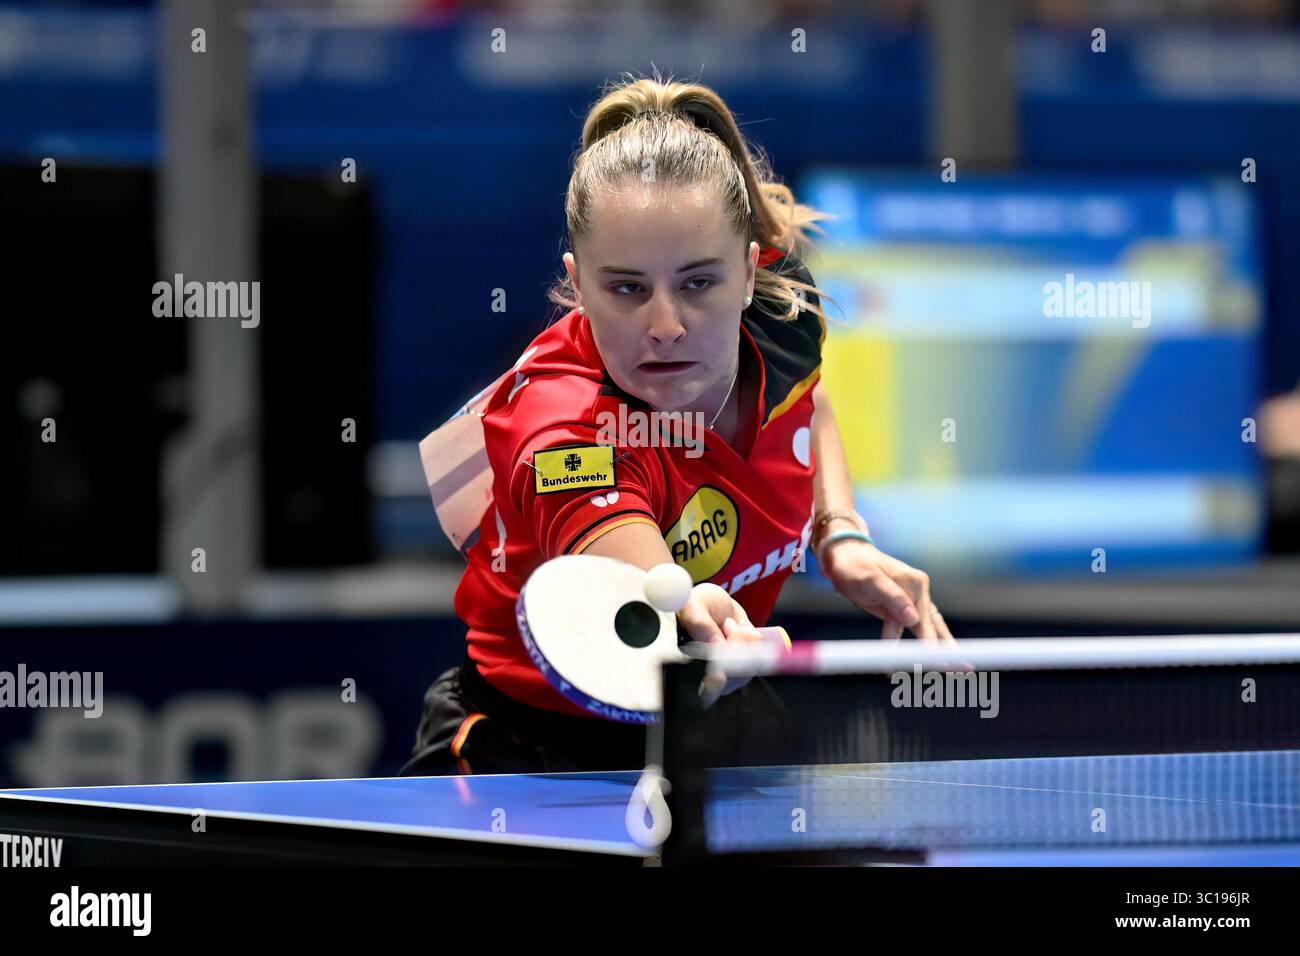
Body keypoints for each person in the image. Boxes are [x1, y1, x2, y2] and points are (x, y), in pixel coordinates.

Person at [402, 71, 953, 777]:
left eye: (698, 283)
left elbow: (806, 402)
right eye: (626, 289)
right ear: (576, 283)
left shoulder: (782, 318)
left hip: (716, 713)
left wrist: (838, 532)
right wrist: (691, 604)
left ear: (751, 273)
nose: (665, 326)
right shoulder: (561, 424)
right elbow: (632, 568)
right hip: (529, 751)